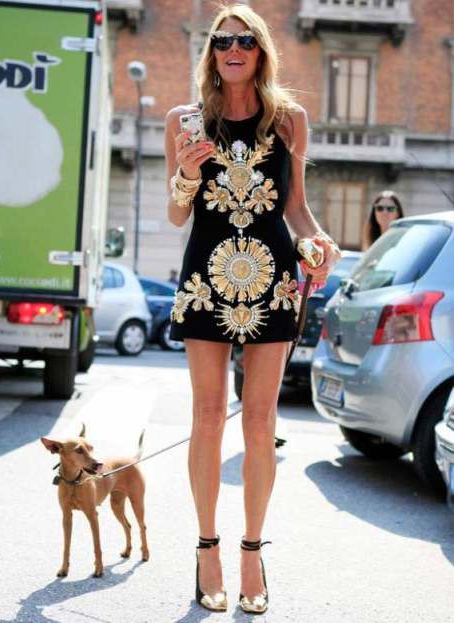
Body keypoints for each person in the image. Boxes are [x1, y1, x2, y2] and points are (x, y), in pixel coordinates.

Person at [164, 3, 340, 615]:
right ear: (211, 53)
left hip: (272, 278)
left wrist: (319, 244)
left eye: (245, 40)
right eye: (221, 40)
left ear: (261, 51)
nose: (232, 48)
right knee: (209, 414)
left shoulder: (290, 121)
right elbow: (177, 214)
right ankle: (207, 547)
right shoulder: (184, 121)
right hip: (206, 277)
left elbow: (296, 210)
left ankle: (251, 552)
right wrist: (186, 177)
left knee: (260, 421)